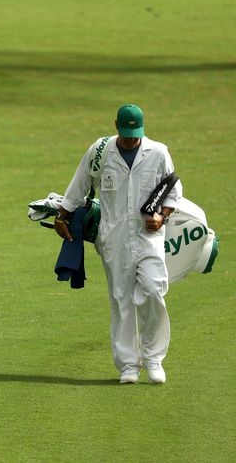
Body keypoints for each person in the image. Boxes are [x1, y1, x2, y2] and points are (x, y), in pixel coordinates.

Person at [53, 104, 182, 384]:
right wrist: (62, 216)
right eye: (126, 135)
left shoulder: (159, 152)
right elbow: (79, 184)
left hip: (149, 237)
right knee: (121, 299)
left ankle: (153, 359)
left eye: (135, 135)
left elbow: (173, 192)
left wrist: (161, 217)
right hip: (113, 237)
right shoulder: (100, 152)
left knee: (152, 291)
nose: (131, 140)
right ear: (116, 127)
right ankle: (128, 367)